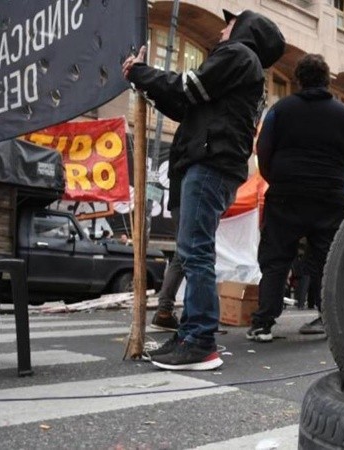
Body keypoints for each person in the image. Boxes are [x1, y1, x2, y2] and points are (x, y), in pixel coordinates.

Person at [124, 9, 285, 370]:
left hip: (210, 163)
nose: (223, 28)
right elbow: (186, 104)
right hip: (209, 162)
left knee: (195, 252)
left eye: (230, 23)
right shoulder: (244, 68)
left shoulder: (237, 56)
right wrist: (146, 82)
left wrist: (141, 72)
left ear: (245, 30)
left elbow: (187, 86)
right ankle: (190, 334)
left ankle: (199, 340)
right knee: (192, 249)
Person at [247, 54, 344, 342]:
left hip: (286, 194)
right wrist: (334, 179)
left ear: (299, 79)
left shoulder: (280, 110)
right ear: (327, 80)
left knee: (276, 257)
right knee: (328, 260)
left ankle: (264, 323)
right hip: (330, 196)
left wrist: (279, 179)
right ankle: (328, 319)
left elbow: (264, 149)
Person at [151, 208, 183, 332]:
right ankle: (198, 318)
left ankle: (164, 310)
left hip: (180, 203)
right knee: (196, 255)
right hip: (193, 202)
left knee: (181, 256)